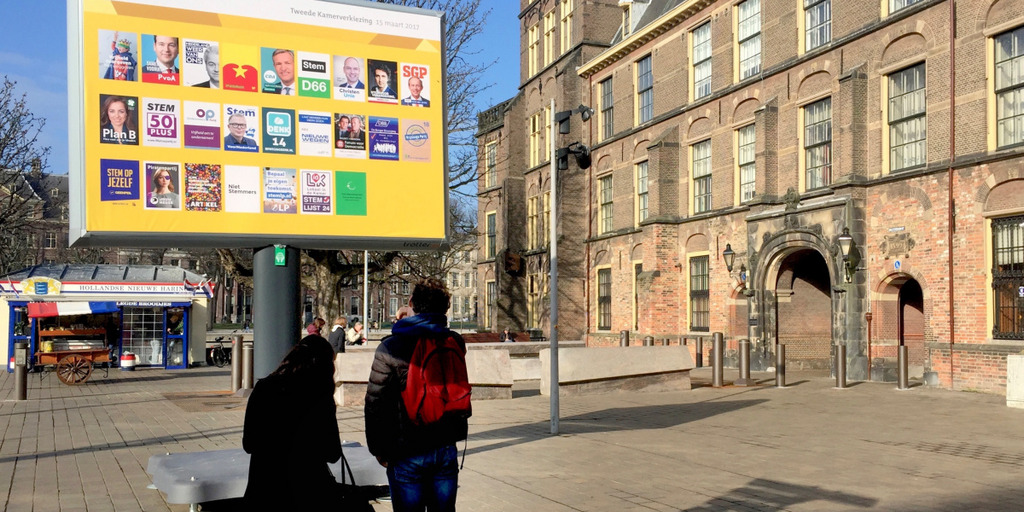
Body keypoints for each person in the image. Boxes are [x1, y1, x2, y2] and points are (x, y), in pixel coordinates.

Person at [365, 278, 467, 512]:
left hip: (406, 450)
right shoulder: (454, 342)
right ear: (446, 308)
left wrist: (378, 449)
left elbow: (375, 404)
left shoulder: (391, 347)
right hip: (445, 447)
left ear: (411, 302)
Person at [243, 335, 342, 508]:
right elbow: (332, 453)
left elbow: (249, 444)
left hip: (264, 489)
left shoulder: (264, 388)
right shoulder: (319, 395)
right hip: (308, 491)